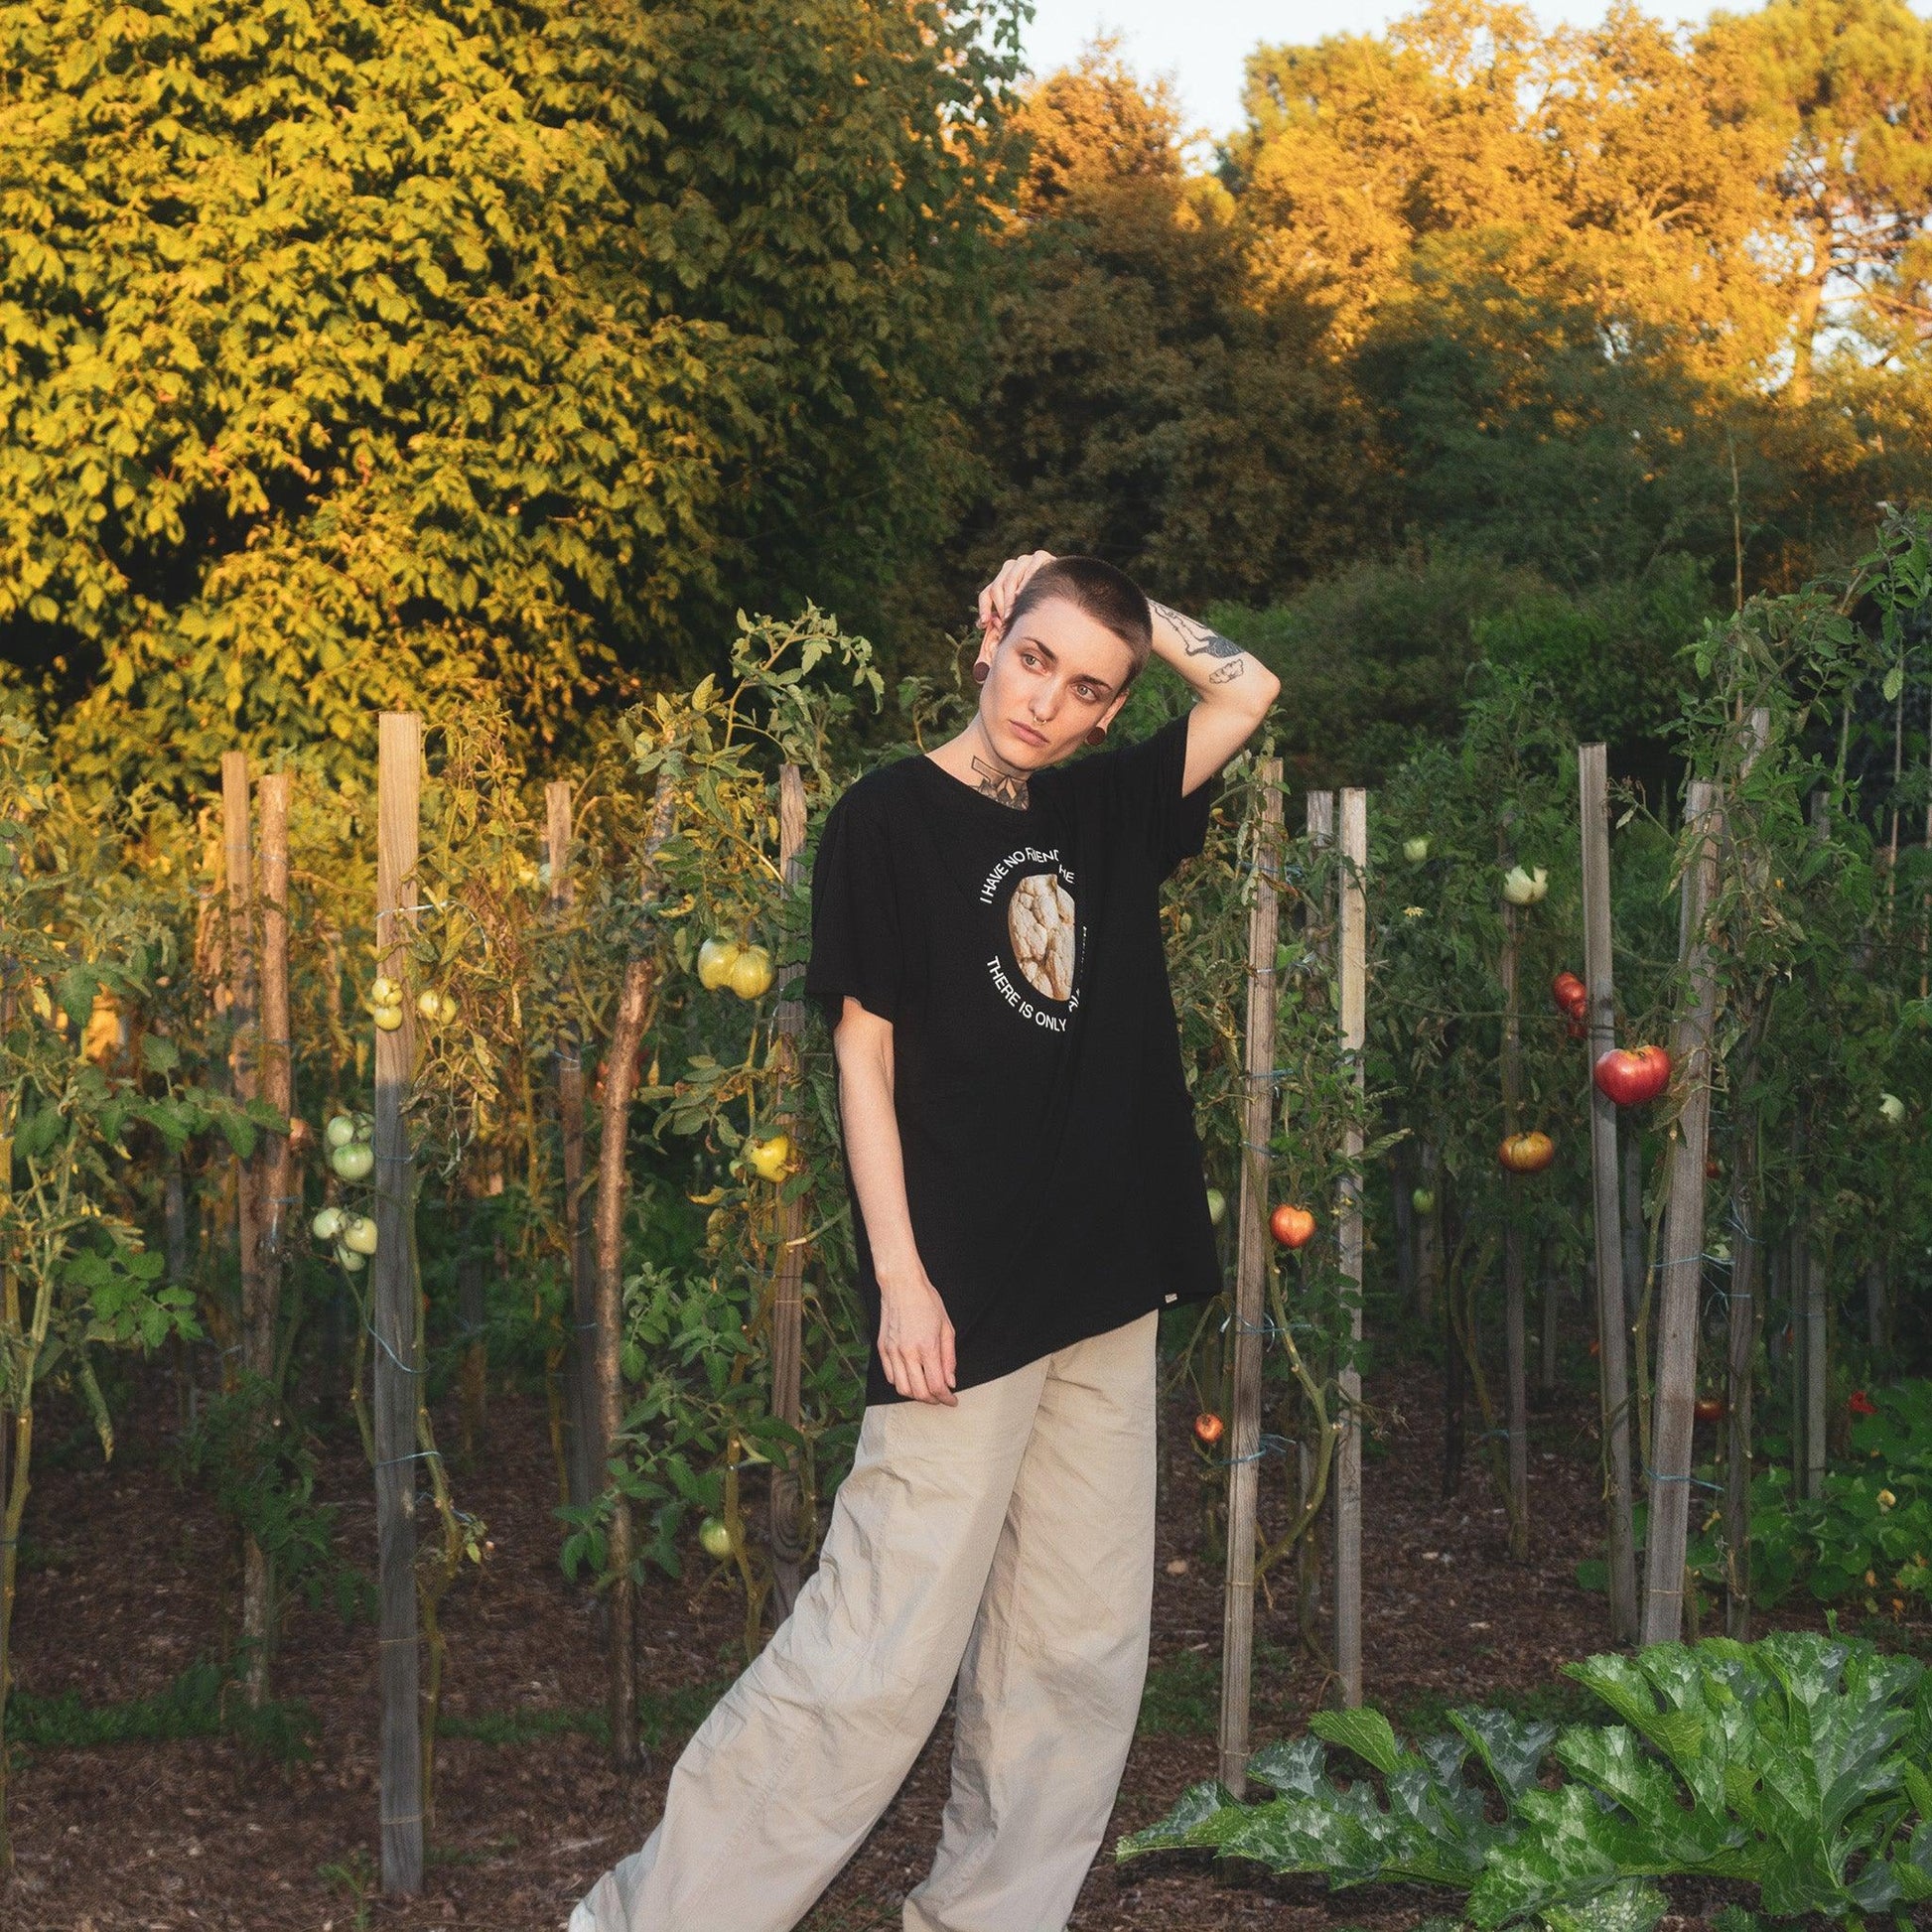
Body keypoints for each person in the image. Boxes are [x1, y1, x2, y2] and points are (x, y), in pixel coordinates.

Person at [569, 551, 1280, 1932]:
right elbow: (862, 1057)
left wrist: (1123, 612)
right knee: (872, 1655)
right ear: (986, 641)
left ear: (1107, 711)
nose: (1047, 701)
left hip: (1105, 1284)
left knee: (1072, 1654)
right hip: (958, 1296)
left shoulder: (1103, 808)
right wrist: (901, 1274)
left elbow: (1249, 687)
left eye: (1087, 687)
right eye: (1032, 657)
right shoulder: (885, 819)